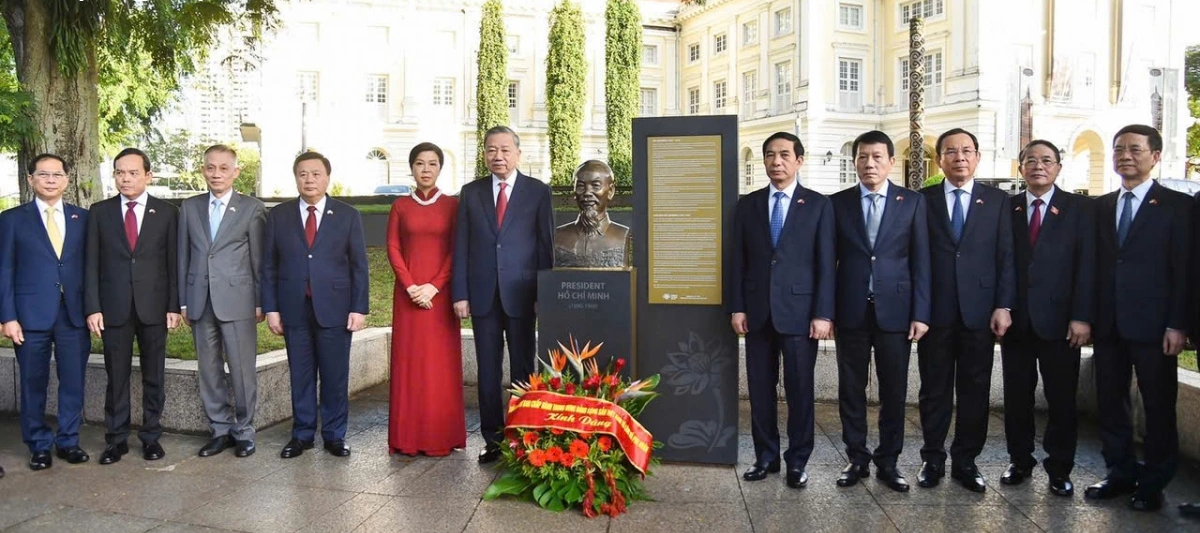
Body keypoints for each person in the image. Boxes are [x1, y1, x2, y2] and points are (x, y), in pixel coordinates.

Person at [1086, 125, 1190, 512]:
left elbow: (1183, 269)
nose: (1124, 156)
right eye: (1118, 150)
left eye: (1134, 149)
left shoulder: (1178, 207)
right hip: (1108, 324)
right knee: (1111, 402)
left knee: (1159, 405)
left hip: (1156, 326)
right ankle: (1119, 472)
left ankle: (1154, 481)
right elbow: (1093, 267)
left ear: (1155, 156)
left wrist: (1178, 324)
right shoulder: (1100, 206)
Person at [729, 132, 835, 489]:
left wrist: (823, 314)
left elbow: (826, 264)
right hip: (757, 313)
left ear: (799, 160)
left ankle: (798, 460)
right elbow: (737, 262)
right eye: (771, 155)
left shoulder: (819, 205)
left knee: (800, 390)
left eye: (785, 155)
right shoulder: (748, 205)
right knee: (760, 389)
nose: (777, 161)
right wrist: (737, 307)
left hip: (801, 314)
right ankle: (766, 456)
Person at [829, 131, 930, 492]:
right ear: (854, 162)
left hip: (896, 312)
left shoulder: (912, 202)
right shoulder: (837, 203)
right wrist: (827, 312)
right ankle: (856, 457)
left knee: (894, 389)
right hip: (851, 310)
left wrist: (921, 313)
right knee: (851, 389)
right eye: (862, 157)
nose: (869, 164)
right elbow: (828, 263)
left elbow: (921, 261)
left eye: (876, 157)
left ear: (890, 161)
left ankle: (889, 461)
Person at [916, 128, 1014, 493]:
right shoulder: (921, 200)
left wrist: (1003, 305)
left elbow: (1006, 257)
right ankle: (932, 457)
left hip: (980, 312)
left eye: (967, 151)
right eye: (951, 151)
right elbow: (916, 261)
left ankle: (966, 461)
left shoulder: (999, 201)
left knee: (975, 389)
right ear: (940, 158)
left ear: (977, 157)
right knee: (934, 389)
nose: (959, 157)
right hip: (935, 314)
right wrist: (918, 310)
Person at [452, 126, 553, 463]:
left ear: (518, 153)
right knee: (488, 371)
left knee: (524, 367)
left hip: (523, 295)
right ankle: (493, 440)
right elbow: (461, 246)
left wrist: (544, 293)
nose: (499, 156)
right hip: (482, 296)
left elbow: (545, 246)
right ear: (484, 154)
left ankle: (525, 436)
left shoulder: (538, 192)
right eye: (492, 150)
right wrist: (460, 293)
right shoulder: (471, 193)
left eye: (505, 150)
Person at [999, 140, 1095, 497]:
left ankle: (1059, 467)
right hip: (1017, 323)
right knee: (1017, 397)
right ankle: (1019, 460)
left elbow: (1087, 267)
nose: (1038, 166)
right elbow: (1001, 263)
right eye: (1031, 160)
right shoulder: (1007, 208)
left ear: (1058, 166)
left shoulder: (1078, 209)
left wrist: (1082, 316)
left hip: (1062, 323)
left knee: (1061, 398)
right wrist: (1002, 306)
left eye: (1047, 160)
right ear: (1020, 166)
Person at [262, 151, 369, 459]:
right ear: (296, 178)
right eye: (303, 174)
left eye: (315, 173)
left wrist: (358, 307)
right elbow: (270, 265)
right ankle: (302, 434)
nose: (309, 179)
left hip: (335, 307)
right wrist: (271, 308)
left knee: (335, 375)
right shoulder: (279, 215)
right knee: (301, 374)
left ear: (327, 177)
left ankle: (335, 435)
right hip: (293, 307)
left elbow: (359, 265)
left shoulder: (347, 215)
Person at [85, 148, 180, 465]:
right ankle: (116, 440)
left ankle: (151, 436)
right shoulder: (99, 212)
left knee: (154, 376)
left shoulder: (166, 212)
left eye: (132, 172)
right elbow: (91, 265)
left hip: (154, 308)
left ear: (148, 175)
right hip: (113, 309)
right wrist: (93, 307)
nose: (125, 178)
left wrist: (173, 306)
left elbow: (172, 263)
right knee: (117, 377)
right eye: (119, 172)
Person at [0, 154, 91, 470]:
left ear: (67, 179)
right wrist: (8, 317)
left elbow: (91, 269)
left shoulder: (83, 219)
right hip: (29, 316)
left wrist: (94, 309)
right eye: (43, 174)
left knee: (73, 381)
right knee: (32, 382)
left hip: (73, 315)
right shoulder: (11, 220)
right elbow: (5, 269)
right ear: (30, 180)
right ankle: (38, 444)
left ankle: (68, 440)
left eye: (57, 174)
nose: (51, 180)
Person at [177, 144, 267, 459]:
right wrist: (183, 302)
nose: (217, 173)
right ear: (203, 170)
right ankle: (219, 430)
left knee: (242, 371)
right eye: (211, 168)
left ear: (235, 172)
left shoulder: (252, 209)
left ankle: (244, 432)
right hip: (200, 300)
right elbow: (183, 256)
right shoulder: (189, 207)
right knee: (209, 369)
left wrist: (260, 301)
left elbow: (259, 259)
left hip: (239, 301)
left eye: (223, 168)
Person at [386, 142, 465, 456]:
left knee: (439, 368)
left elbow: (455, 250)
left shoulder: (453, 206)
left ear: (440, 169)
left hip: (440, 299)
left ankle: (440, 437)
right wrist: (410, 286)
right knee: (410, 366)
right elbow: (392, 248)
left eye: (432, 164)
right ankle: (407, 437)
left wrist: (434, 286)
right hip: (408, 299)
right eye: (420, 164)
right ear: (412, 168)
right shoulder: (400, 207)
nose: (426, 170)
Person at [553, 159, 630, 267]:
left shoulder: (622, 235)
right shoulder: (558, 236)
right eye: (580, 186)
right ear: (574, 191)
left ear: (611, 191)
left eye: (595, 185)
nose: (587, 192)